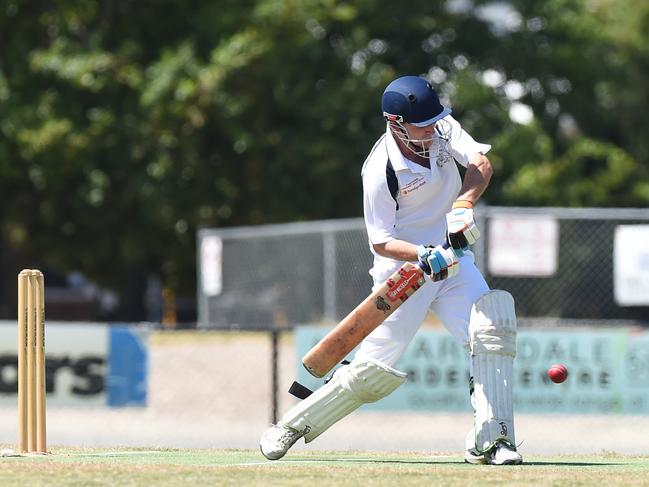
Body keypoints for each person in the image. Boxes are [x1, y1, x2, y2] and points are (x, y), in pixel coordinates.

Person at [259, 75, 522, 465]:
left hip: (454, 262)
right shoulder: (380, 168)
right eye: (423, 124)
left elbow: (481, 164)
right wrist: (421, 253)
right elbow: (380, 241)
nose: (433, 129)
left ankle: (492, 440)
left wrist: (463, 204)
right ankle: (290, 426)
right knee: (371, 370)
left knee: (491, 330)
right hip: (404, 276)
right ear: (395, 122)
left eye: (436, 120)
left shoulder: (443, 129)